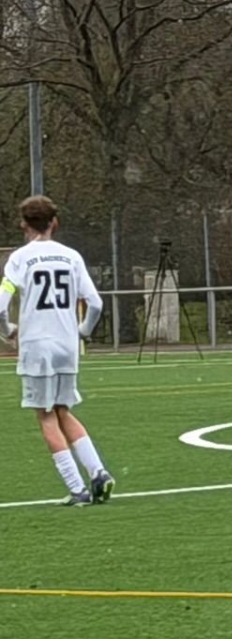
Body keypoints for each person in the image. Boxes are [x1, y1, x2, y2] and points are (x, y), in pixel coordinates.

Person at [2, 196, 113, 505]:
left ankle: (77, 489)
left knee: (46, 415)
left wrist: (8, 330)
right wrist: (82, 332)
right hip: (67, 345)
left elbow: (0, 305)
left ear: (24, 225)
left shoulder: (19, 259)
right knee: (63, 409)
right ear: (55, 222)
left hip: (37, 347)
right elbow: (95, 303)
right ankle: (98, 472)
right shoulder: (71, 257)